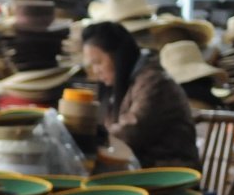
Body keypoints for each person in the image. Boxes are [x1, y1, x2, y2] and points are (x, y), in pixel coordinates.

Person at [81, 21, 201, 169]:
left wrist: (86, 138)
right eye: (91, 65)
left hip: (169, 172)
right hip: (139, 169)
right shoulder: (122, 85)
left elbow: (130, 133)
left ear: (118, 55)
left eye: (98, 62)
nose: (96, 70)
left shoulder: (155, 83)